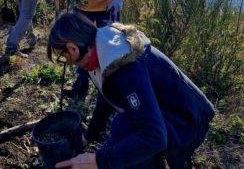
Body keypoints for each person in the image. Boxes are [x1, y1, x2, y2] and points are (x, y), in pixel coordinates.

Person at [46, 13, 215, 169]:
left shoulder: (123, 65)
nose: (66, 62)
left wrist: (99, 161)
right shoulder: (98, 49)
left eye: (62, 56)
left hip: (188, 119)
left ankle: (167, 160)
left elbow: (154, 136)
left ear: (73, 49)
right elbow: (105, 96)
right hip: (167, 112)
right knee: (122, 127)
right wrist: (88, 136)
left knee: (127, 136)